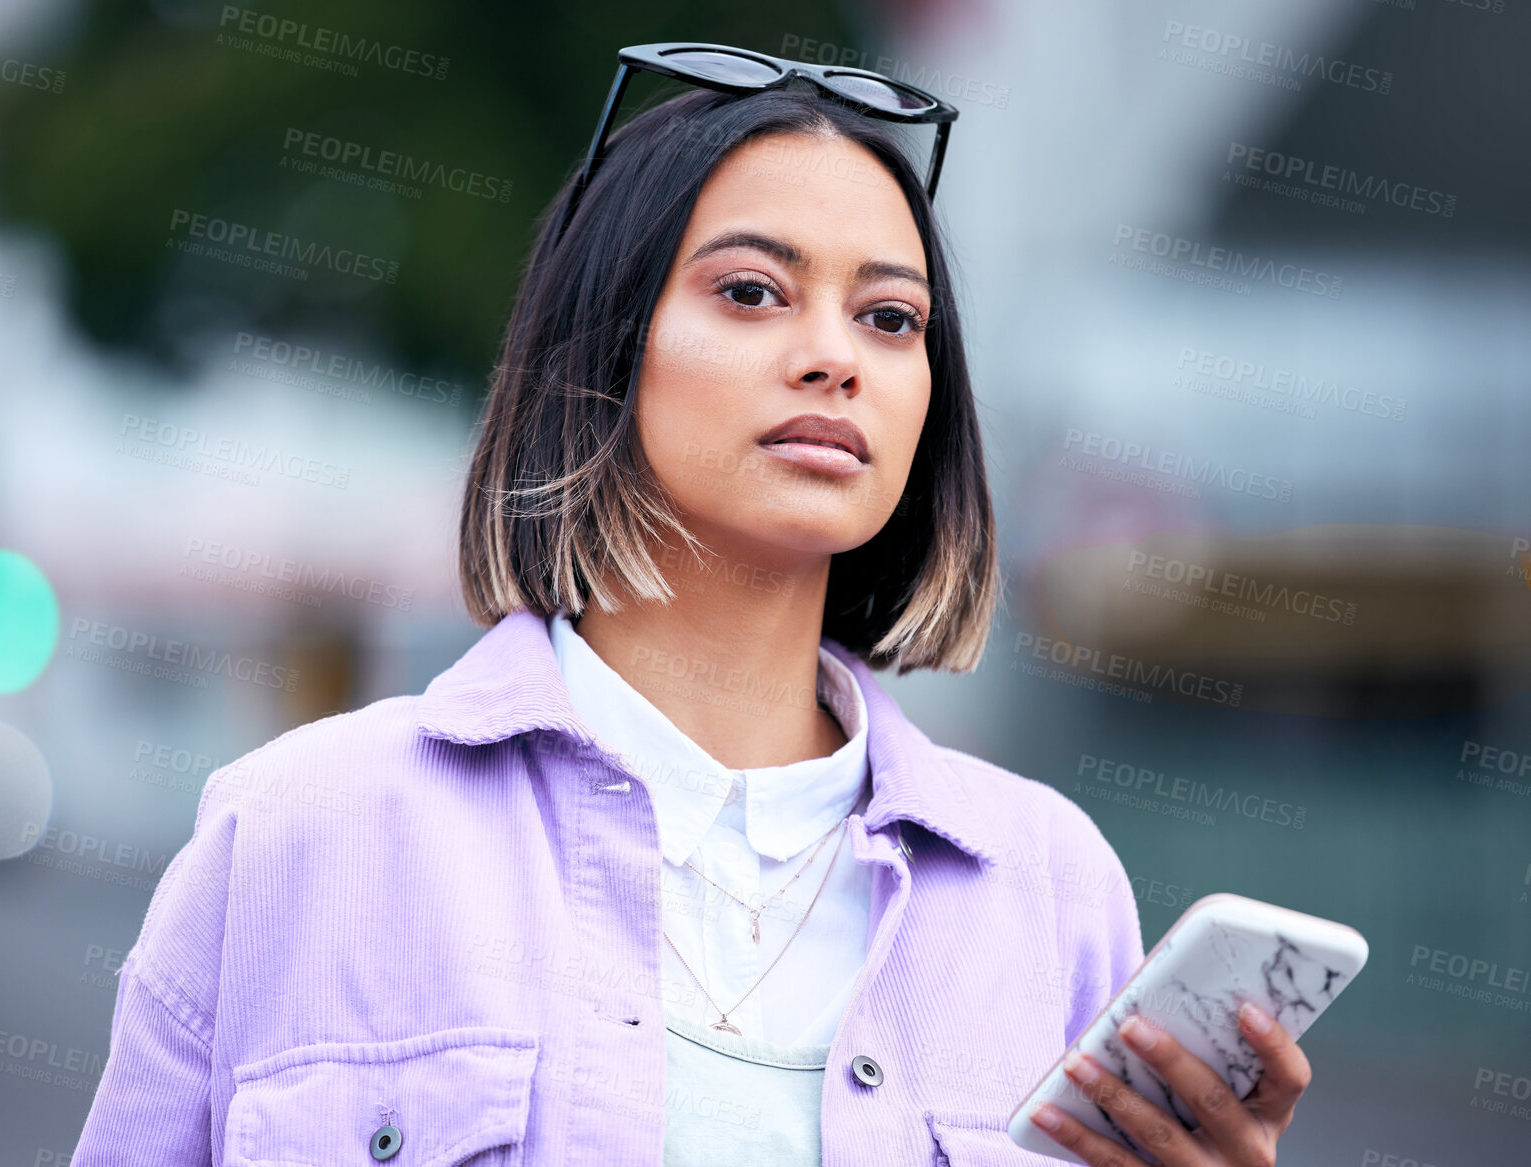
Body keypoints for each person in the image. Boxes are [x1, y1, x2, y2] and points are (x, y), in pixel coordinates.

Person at [71, 43, 1312, 1167]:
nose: (835, 355)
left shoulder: (1047, 886)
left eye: (891, 317)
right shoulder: (301, 831)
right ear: (604, 345)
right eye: (752, 292)